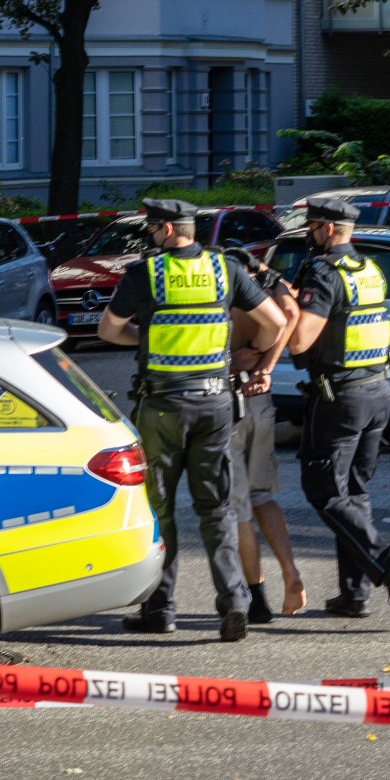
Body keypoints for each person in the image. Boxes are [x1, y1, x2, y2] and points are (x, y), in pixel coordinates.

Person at [98, 198, 286, 642]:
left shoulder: (146, 274)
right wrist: (248, 359)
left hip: (162, 406)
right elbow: (277, 322)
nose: (149, 236)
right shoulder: (226, 270)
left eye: (151, 229)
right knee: (216, 509)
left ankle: (160, 608)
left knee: (159, 509)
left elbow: (107, 330)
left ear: (165, 230)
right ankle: (235, 601)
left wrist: (146, 337)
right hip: (216, 403)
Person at [286, 196, 390, 628]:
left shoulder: (323, 273)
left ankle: (388, 561)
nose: (309, 234)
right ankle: (354, 595)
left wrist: (288, 312)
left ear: (325, 229)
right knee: (355, 494)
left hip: (340, 398)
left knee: (323, 491)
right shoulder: (368, 269)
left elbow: (301, 341)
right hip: (378, 391)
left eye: (311, 226)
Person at [223, 247, 307, 622]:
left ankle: (257, 598)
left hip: (229, 402)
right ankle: (291, 572)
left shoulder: (225, 295)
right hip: (261, 397)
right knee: (262, 496)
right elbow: (291, 312)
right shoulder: (267, 293)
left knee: (238, 507)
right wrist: (268, 363)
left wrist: (242, 357)